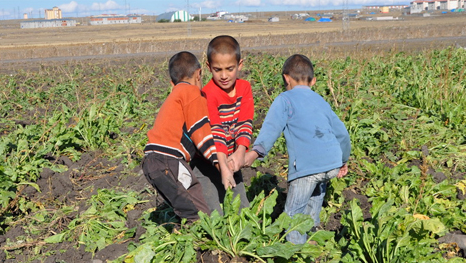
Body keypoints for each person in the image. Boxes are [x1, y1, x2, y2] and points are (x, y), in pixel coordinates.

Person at [244, 54, 351, 244]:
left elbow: (271, 128)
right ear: (314, 81)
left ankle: (295, 253)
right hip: (331, 164)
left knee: (292, 216)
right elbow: (342, 133)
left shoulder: (285, 99)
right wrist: (343, 161)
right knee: (315, 198)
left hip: (307, 167)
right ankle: (313, 241)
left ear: (286, 78)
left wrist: (256, 152)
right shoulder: (320, 100)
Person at [142, 51, 235, 222]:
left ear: (172, 83)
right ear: (199, 73)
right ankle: (205, 245)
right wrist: (221, 164)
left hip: (151, 163)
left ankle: (189, 241)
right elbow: (201, 134)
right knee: (198, 214)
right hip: (168, 161)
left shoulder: (174, 96)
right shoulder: (192, 93)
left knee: (186, 207)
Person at [191, 35, 253, 214]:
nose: (224, 76)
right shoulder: (208, 94)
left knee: (242, 209)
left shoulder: (244, 88)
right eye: (218, 70)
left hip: (230, 158)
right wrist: (222, 165)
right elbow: (215, 131)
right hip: (206, 161)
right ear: (209, 67)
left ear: (240, 64)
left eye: (230, 69)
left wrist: (240, 152)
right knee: (212, 212)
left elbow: (245, 122)